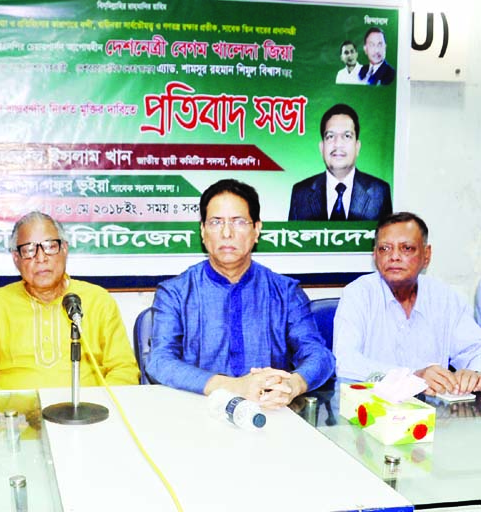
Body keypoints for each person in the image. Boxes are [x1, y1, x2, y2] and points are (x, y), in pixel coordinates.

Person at [147, 180, 334, 409]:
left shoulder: (285, 292)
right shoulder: (174, 293)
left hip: (271, 414)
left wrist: (292, 385)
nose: (227, 233)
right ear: (203, 231)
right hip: (198, 414)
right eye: (216, 222)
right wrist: (234, 386)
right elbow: (159, 362)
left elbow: (320, 356)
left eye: (239, 222)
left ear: (256, 229)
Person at [0, 212, 140, 390]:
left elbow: (124, 369)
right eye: (29, 250)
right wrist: (9, 408)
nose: (41, 258)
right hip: (17, 417)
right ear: (16, 259)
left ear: (64, 249)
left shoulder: (98, 300)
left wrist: (99, 407)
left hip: (89, 415)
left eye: (50, 246)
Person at [333, 212, 481, 394]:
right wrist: (412, 377)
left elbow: (475, 349)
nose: (394, 257)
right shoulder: (358, 294)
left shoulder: (445, 298)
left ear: (426, 256)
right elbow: (345, 362)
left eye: (407, 248)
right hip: (372, 410)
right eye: (384, 249)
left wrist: (474, 372)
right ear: (374, 255)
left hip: (434, 414)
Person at [288, 103, 392, 221]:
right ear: (321, 148)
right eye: (330, 136)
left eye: (347, 136)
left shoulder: (379, 192)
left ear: (357, 147)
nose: (338, 144)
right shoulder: (301, 193)